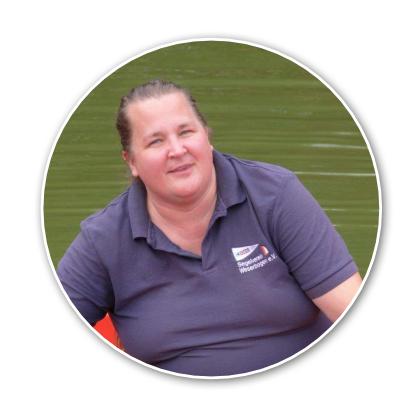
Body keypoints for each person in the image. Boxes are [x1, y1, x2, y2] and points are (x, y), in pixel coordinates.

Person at [57, 79, 362, 377]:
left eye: (186, 132)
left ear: (207, 136)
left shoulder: (275, 195)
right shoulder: (104, 239)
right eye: (155, 141)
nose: (177, 150)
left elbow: (353, 314)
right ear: (132, 162)